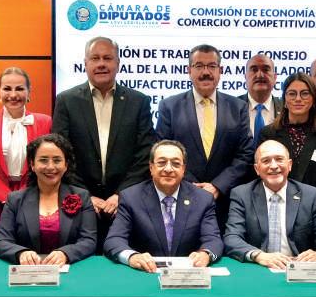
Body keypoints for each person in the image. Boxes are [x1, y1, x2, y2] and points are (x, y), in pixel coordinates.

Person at [51, 36, 155, 242]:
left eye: (107, 58)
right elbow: (61, 153)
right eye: (95, 58)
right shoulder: (66, 100)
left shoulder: (138, 101)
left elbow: (145, 154)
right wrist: (85, 195)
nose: (101, 64)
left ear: (118, 63)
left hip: (127, 206)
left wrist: (121, 195)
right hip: (79, 204)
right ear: (85, 63)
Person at [155, 44, 254, 213]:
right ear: (189, 70)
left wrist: (217, 186)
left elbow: (245, 154)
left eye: (212, 66)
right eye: (199, 66)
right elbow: (162, 151)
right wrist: (192, 186)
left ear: (220, 71)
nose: (206, 72)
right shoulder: (169, 106)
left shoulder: (238, 107)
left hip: (225, 202)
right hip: (181, 198)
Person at [104, 140, 223, 272]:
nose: (168, 169)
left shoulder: (203, 199)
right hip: (145, 273)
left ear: (183, 169)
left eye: (176, 164)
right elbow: (114, 239)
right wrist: (132, 257)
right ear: (151, 168)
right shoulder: (131, 197)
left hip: (188, 274)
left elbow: (213, 240)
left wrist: (205, 254)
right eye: (161, 162)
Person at [223, 140, 316, 268]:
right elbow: (232, 238)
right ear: (257, 169)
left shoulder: (311, 196)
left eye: (279, 159)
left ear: (289, 165)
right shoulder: (242, 195)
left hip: (298, 269)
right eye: (266, 161)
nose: (274, 166)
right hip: (259, 268)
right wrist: (259, 256)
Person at [0, 67, 52, 250]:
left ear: (29, 92)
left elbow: (45, 164)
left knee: (32, 252)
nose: (13, 95)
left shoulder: (44, 122)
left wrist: (23, 196)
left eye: (20, 89)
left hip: (32, 196)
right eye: (7, 89)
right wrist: (9, 198)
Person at [0, 134, 96, 265]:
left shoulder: (82, 196)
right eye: (43, 160)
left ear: (66, 165)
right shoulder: (15, 199)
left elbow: (89, 241)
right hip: (29, 271)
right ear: (32, 164)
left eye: (57, 160)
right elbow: (1, 241)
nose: (50, 167)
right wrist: (21, 253)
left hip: (70, 269)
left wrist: (65, 254)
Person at [259, 71, 316, 210]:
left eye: (305, 93)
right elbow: (262, 176)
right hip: (276, 208)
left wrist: (314, 210)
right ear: (284, 100)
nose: (298, 99)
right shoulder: (269, 134)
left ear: (313, 99)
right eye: (292, 94)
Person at [240, 53, 281, 145]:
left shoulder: (286, 108)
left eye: (266, 70)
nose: (260, 75)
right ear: (245, 77)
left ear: (275, 77)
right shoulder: (232, 107)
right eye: (254, 70)